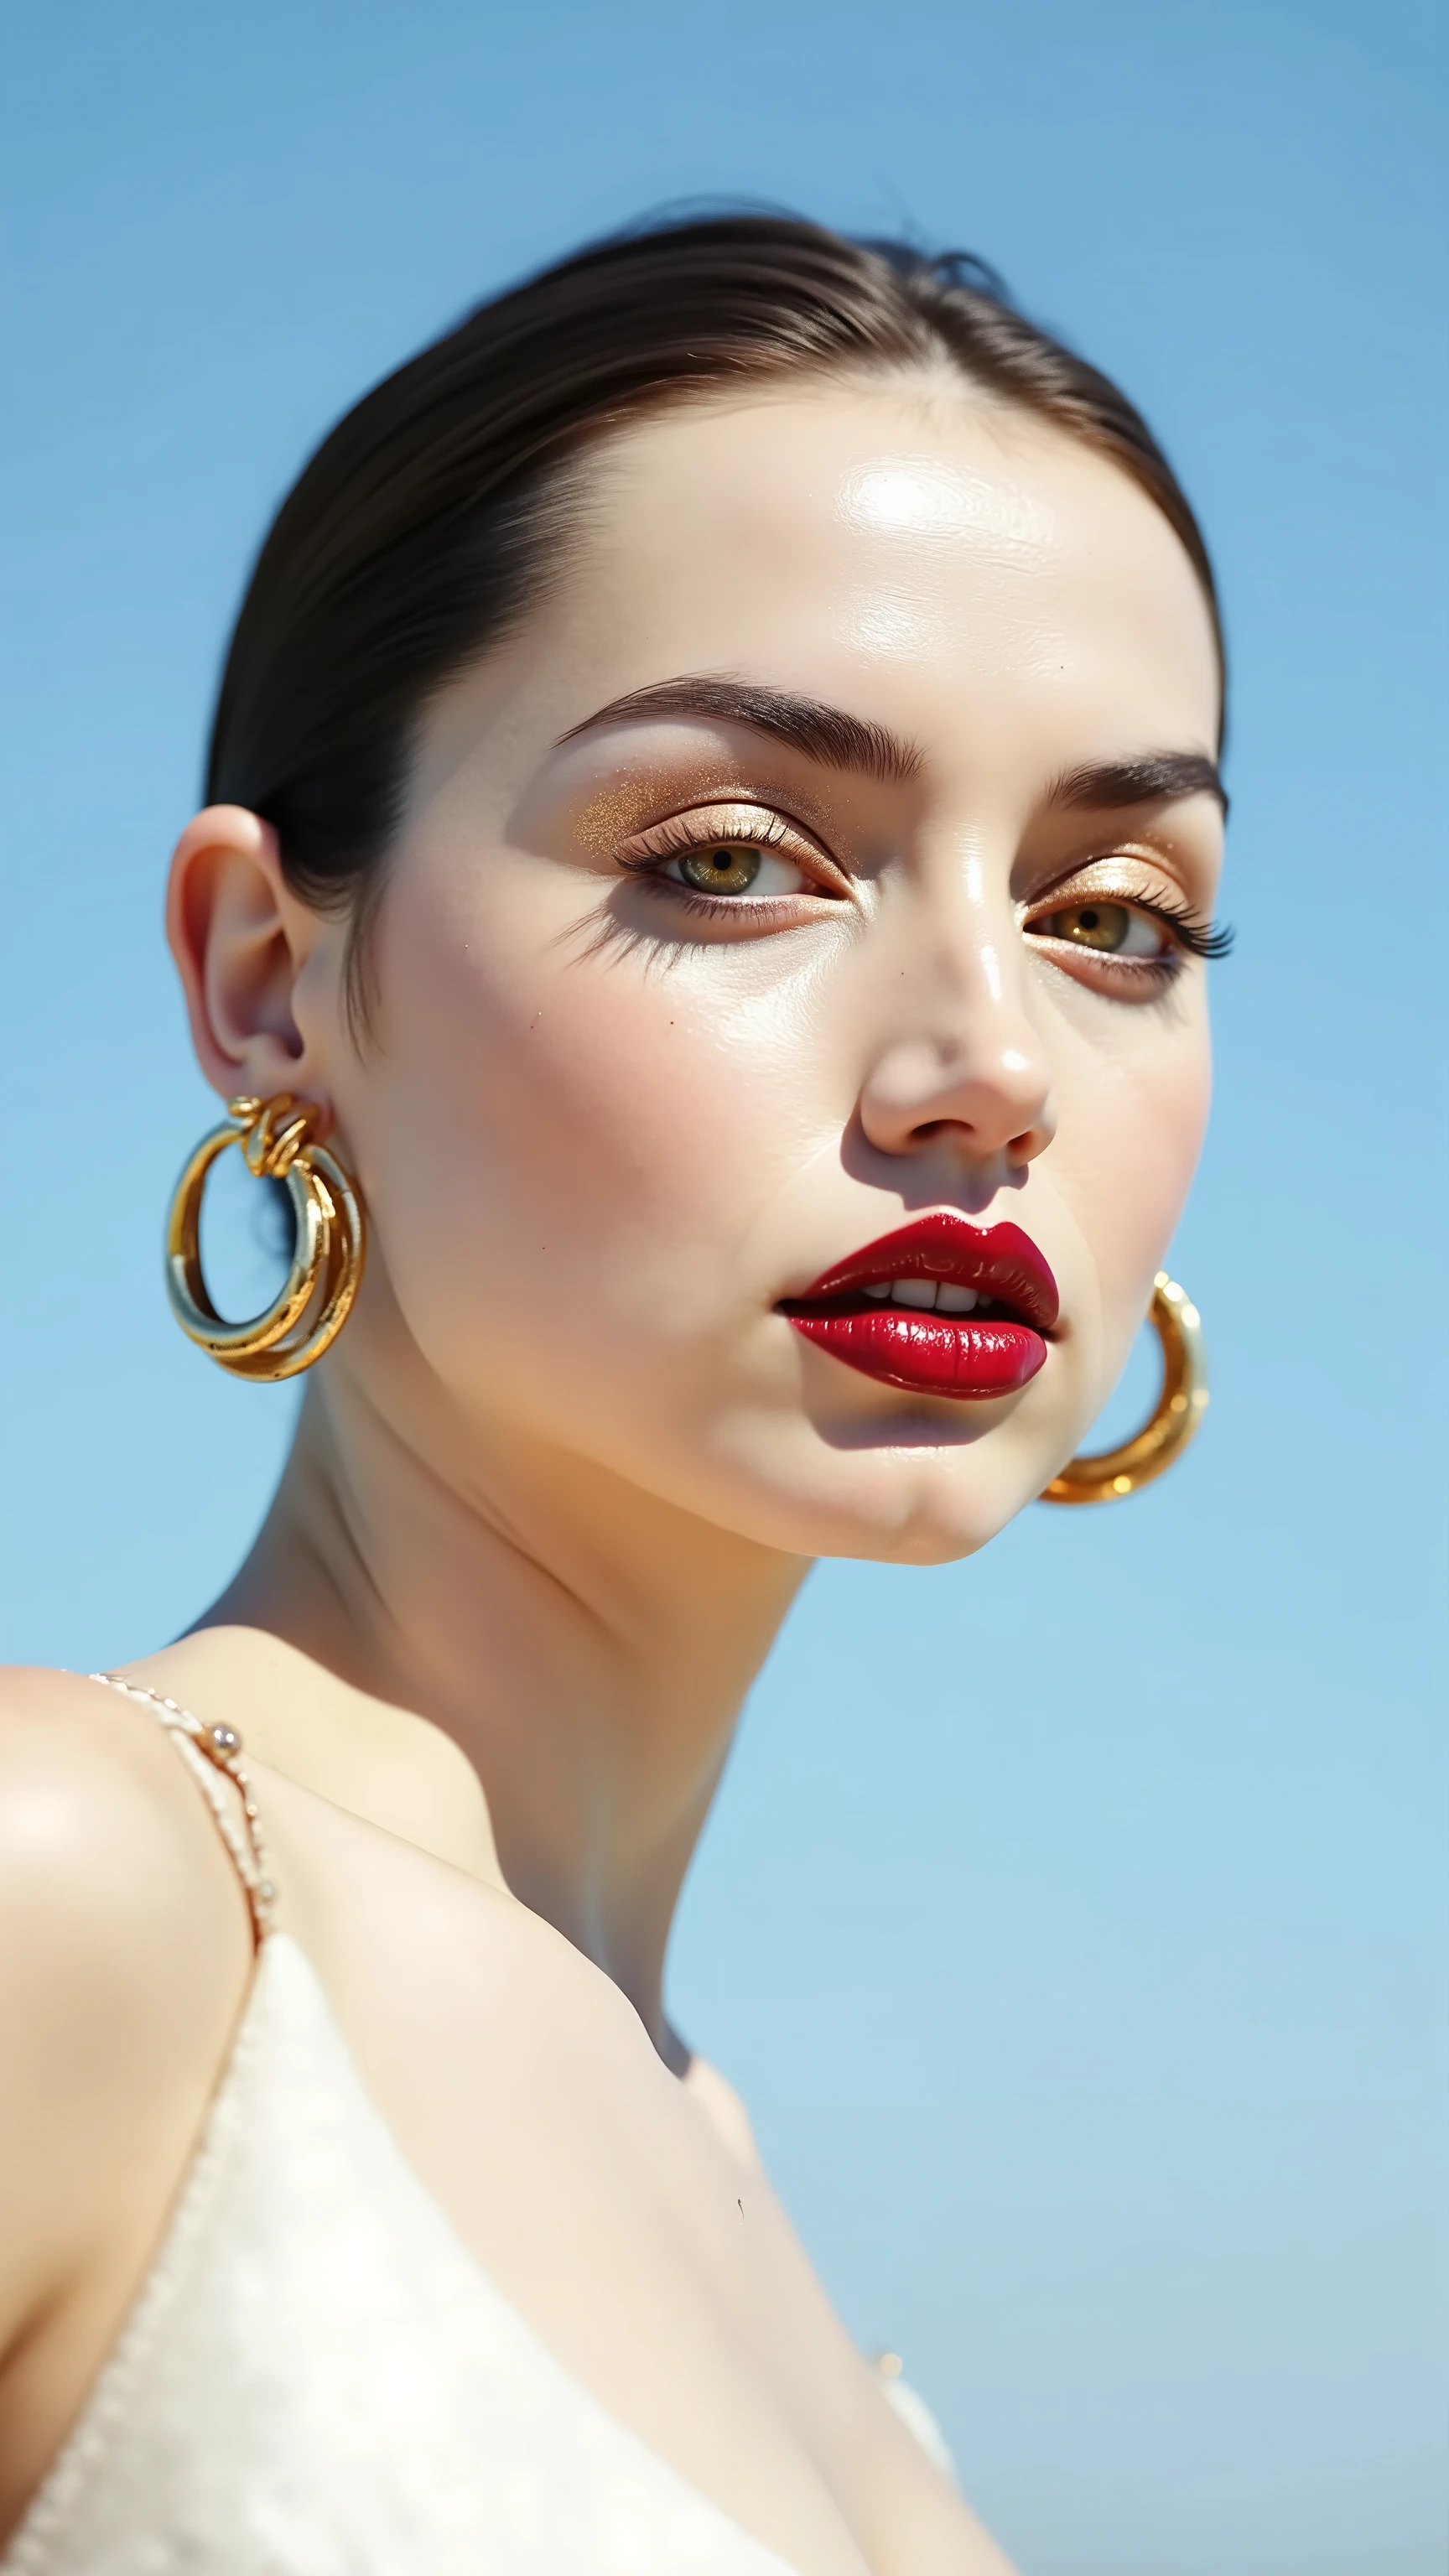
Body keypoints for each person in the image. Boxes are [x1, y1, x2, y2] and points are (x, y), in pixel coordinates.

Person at [0, 215, 1228, 2574]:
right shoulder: (86, 1908)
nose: (991, 1066)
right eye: (736, 859)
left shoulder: (759, 2210)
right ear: (270, 979)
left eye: (1116, 915)